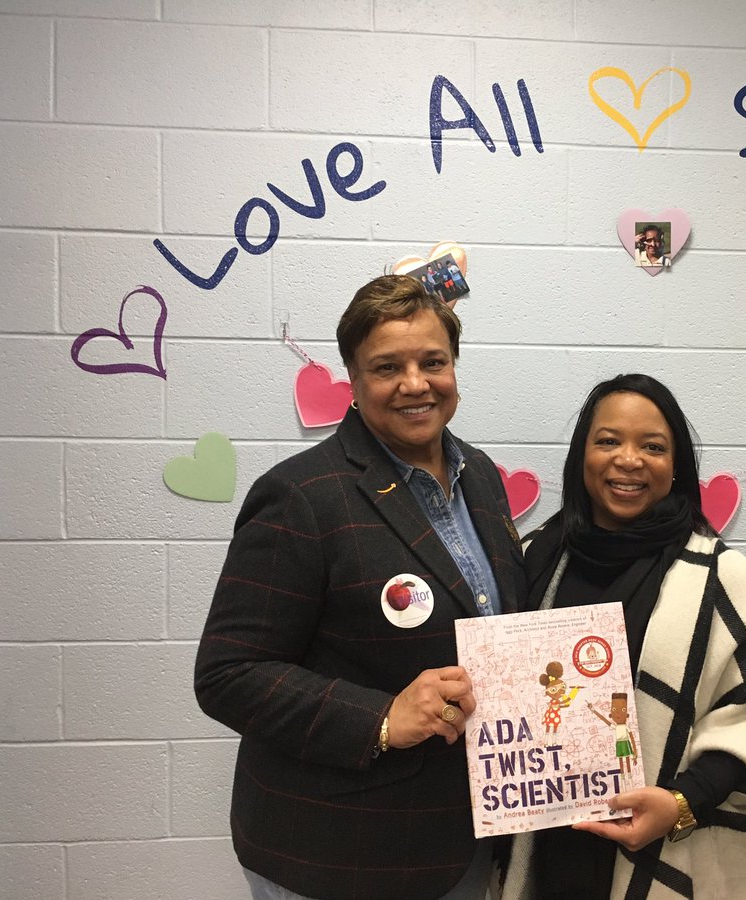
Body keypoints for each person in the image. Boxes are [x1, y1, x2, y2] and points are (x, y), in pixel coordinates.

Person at [195, 275, 527, 900]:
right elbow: (227, 673)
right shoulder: (302, 495)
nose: (415, 383)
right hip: (337, 853)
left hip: (460, 843)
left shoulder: (480, 475)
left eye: (433, 362)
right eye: (386, 367)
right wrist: (381, 717)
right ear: (352, 378)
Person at [502, 374, 746, 900]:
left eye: (653, 446)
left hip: (658, 845)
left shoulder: (719, 575)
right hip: (541, 849)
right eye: (608, 441)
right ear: (582, 456)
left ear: (677, 468)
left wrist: (681, 803)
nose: (629, 460)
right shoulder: (535, 557)